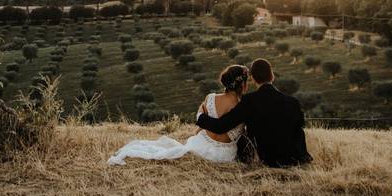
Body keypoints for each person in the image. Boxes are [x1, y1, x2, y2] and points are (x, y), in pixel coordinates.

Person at [107, 65, 248, 165]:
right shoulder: (243, 107)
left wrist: (196, 136)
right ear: (243, 85)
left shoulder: (210, 98)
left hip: (201, 147)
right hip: (223, 155)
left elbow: (200, 124)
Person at [195, 58, 312, 168]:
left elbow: (221, 126)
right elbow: (300, 126)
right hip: (296, 160)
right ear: (272, 76)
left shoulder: (248, 101)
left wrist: (200, 116)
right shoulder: (293, 102)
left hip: (269, 161)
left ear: (253, 78)